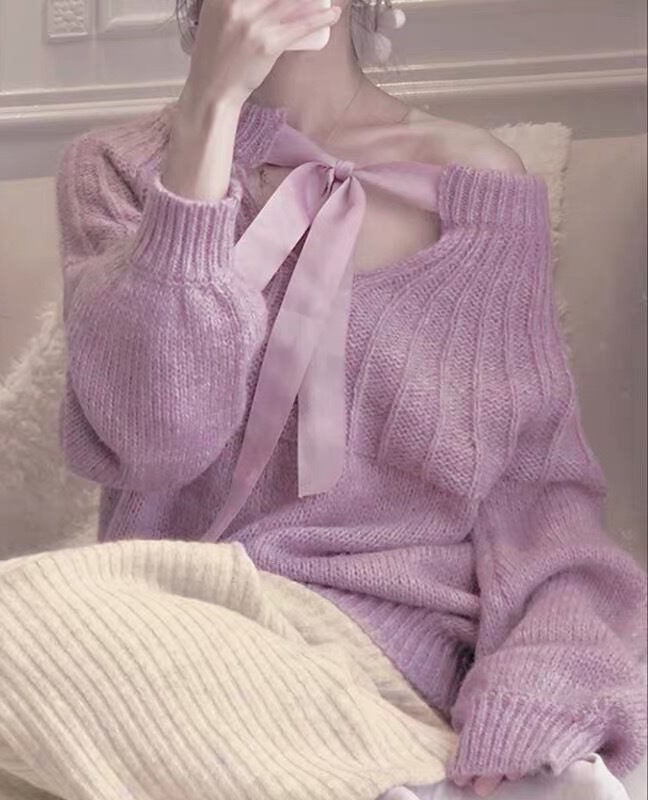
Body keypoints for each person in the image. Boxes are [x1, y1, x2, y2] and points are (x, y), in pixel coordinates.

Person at [56, 0, 647, 797]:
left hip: (376, 645)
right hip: (166, 614)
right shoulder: (115, 171)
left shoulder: (477, 187)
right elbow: (155, 437)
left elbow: (539, 500)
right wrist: (208, 119)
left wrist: (539, 694)